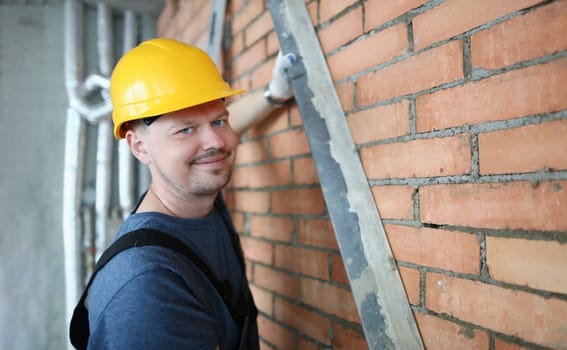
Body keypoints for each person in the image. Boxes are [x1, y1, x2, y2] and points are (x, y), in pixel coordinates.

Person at [85, 38, 295, 349]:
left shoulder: (192, 193)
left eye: (218, 121)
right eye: (185, 129)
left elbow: (220, 129)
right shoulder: (148, 286)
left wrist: (274, 94)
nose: (216, 141)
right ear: (139, 146)